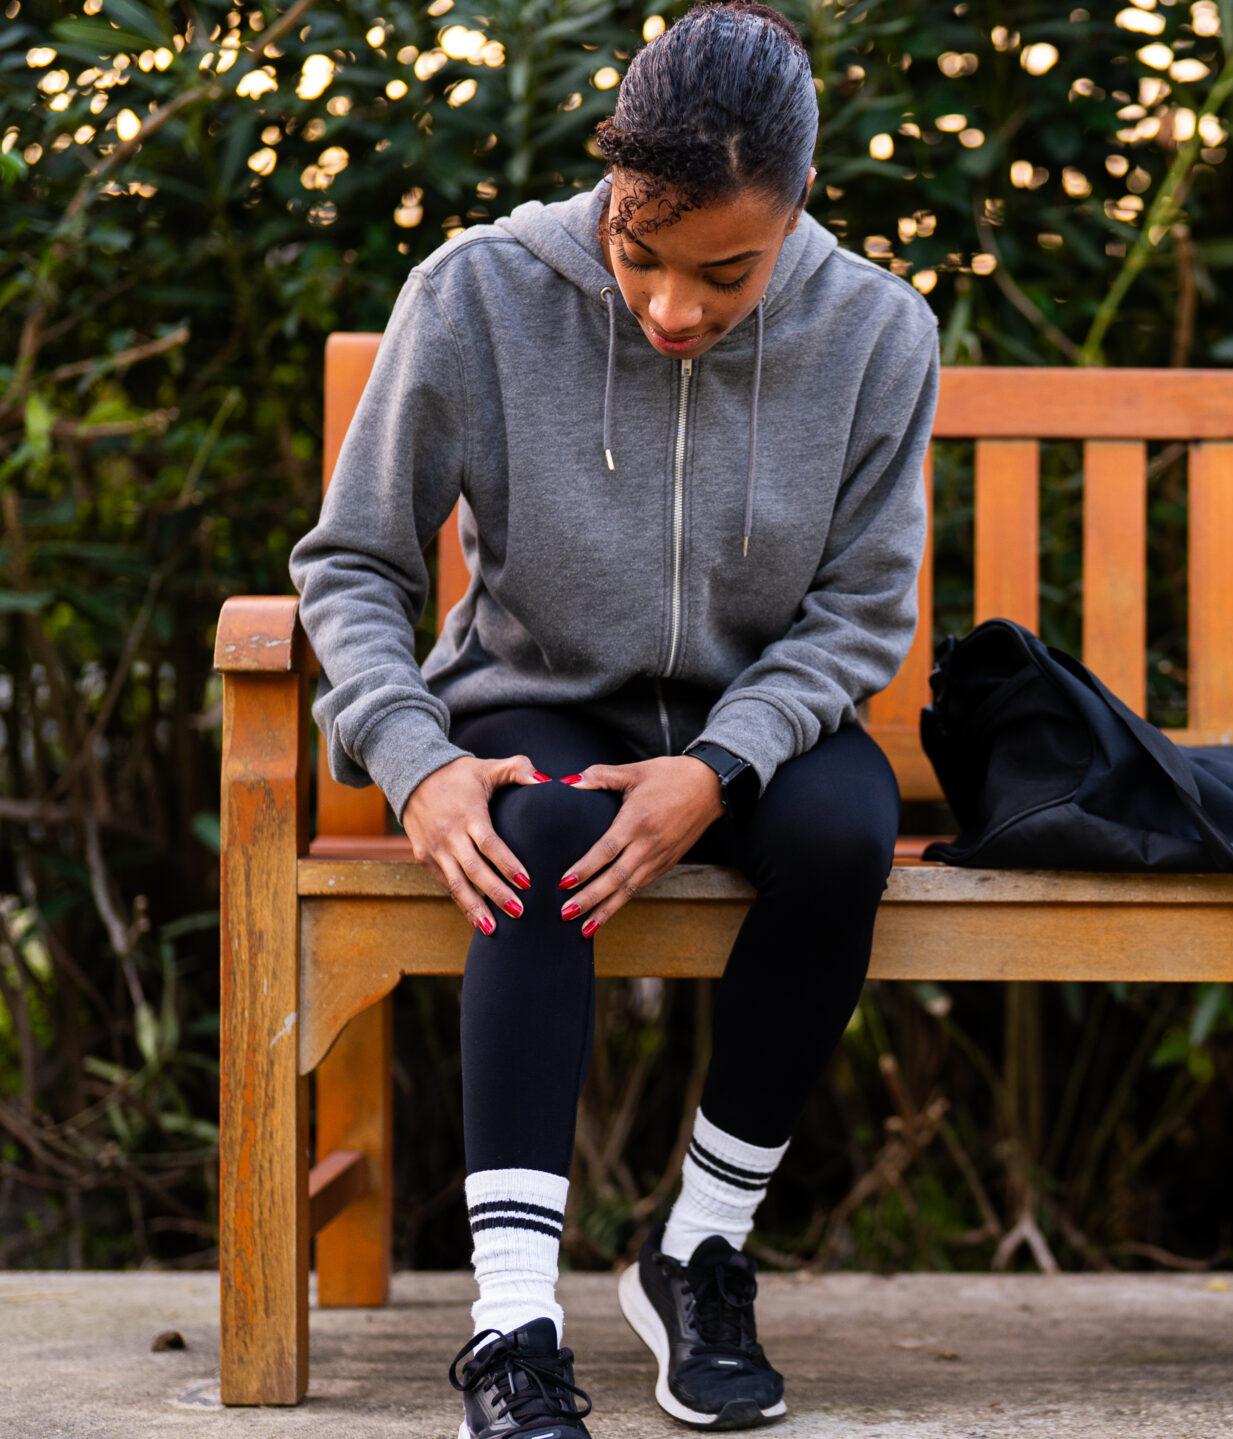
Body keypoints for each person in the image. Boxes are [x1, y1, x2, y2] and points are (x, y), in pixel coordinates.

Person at [290, 5, 936, 1431]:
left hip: (758, 716)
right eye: (641, 255)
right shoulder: (478, 293)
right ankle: (513, 1325)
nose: (673, 308)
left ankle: (698, 1248)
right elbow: (354, 564)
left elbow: (858, 614)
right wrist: (415, 762)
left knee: (845, 832)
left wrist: (716, 766)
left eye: (725, 272)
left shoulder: (879, 333)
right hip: (538, 698)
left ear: (799, 205)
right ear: (610, 185)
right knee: (533, 837)